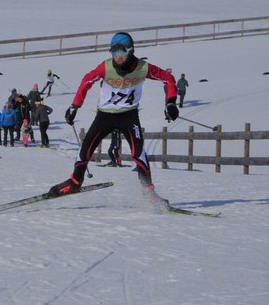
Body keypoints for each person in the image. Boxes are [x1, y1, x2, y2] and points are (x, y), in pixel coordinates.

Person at [48, 32, 178, 203]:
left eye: (122, 52)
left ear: (130, 51)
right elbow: (87, 81)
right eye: (114, 52)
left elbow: (167, 78)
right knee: (86, 148)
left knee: (138, 152)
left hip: (129, 115)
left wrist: (171, 102)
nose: (118, 57)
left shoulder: (142, 68)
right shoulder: (106, 67)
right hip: (105, 116)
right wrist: (75, 106)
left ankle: (149, 192)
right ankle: (75, 181)